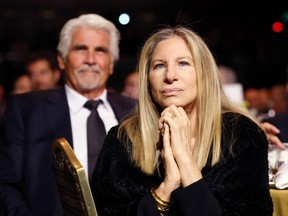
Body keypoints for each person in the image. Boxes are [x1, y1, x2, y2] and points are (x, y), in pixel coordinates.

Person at [90, 26, 273, 215]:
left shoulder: (242, 134)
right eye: (159, 66)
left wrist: (185, 160)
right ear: (148, 79)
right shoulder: (123, 138)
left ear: (204, 73)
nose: (170, 76)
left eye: (183, 63)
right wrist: (166, 189)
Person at [0, 13, 135, 216]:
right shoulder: (27, 109)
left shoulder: (133, 111)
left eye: (100, 51)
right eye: (81, 49)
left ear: (112, 64)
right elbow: (5, 184)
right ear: (62, 60)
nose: (90, 60)